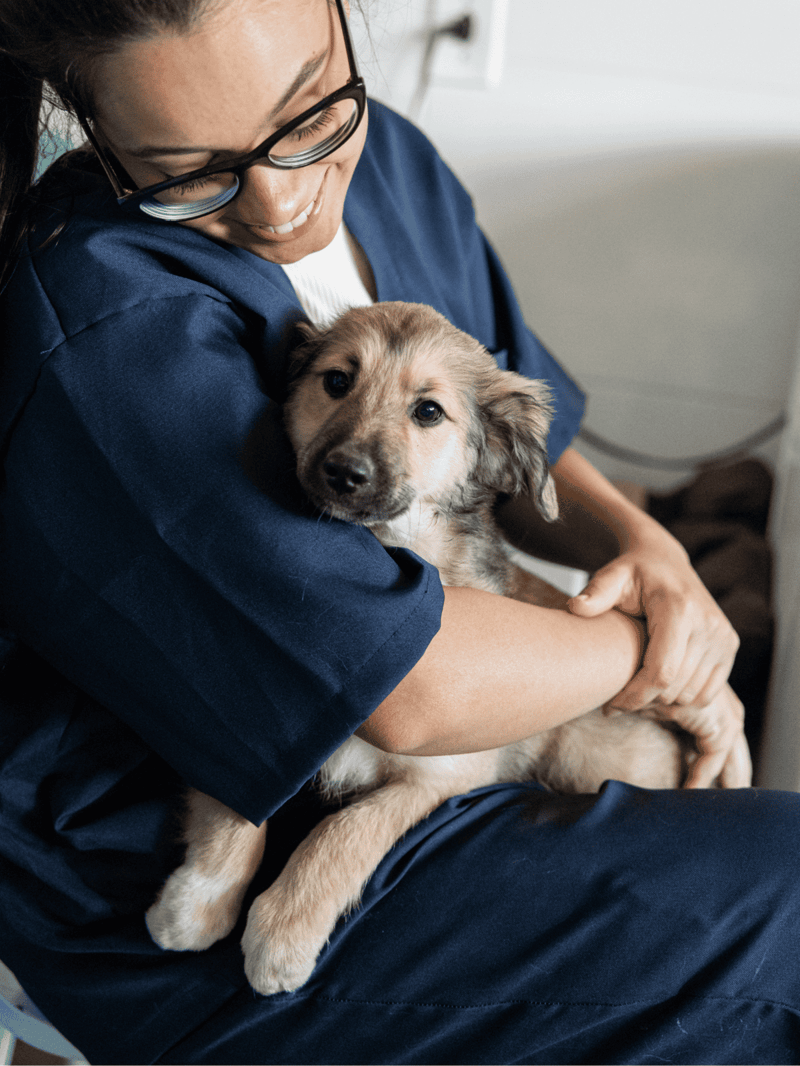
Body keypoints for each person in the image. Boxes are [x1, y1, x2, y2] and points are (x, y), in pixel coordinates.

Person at [0, 0, 795, 1062]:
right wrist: (660, 657)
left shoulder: (392, 164)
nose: (283, 206)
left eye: (307, 111)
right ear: (96, 134)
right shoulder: (111, 325)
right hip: (165, 870)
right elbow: (411, 694)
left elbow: (505, 431)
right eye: (188, 171)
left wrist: (648, 555)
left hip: (439, 766)